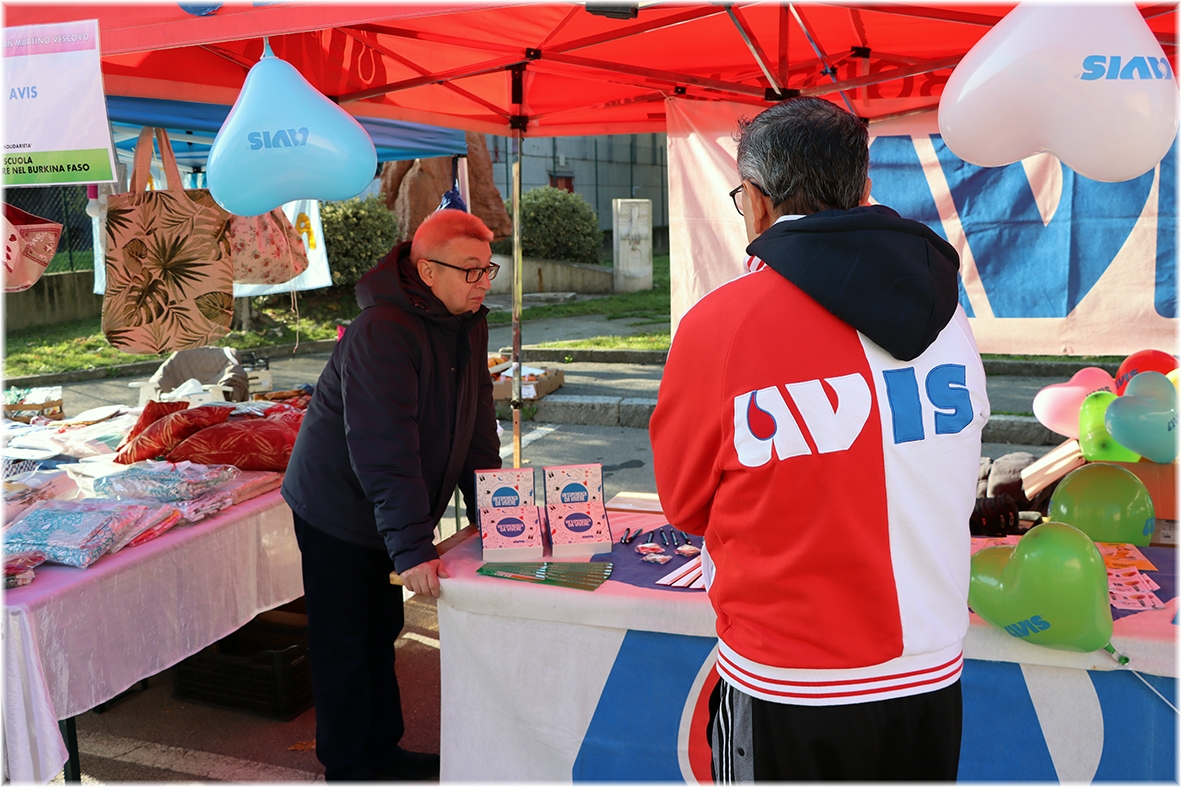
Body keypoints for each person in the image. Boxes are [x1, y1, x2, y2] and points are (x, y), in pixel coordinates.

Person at [649, 97, 989, 781]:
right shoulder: (946, 313)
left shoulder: (721, 325)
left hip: (789, 676)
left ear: (756, 201)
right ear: (863, 189)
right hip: (929, 670)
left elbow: (683, 504)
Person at [282, 208, 502, 781]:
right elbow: (385, 446)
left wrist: (499, 514)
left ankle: (381, 751)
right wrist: (411, 546)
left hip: (388, 503)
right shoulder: (381, 329)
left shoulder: (467, 321)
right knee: (345, 641)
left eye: (487, 270)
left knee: (380, 631)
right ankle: (349, 767)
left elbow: (477, 425)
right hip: (339, 506)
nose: (482, 283)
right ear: (427, 271)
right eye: (471, 270)